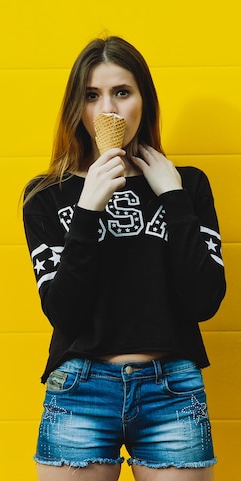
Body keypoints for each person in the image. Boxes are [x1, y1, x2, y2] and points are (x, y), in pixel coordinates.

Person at [22, 36, 226, 481]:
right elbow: (64, 313)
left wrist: (171, 195)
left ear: (144, 101)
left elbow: (205, 300)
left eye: (122, 92)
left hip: (172, 390)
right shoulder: (46, 195)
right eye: (92, 96)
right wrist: (88, 207)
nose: (108, 110)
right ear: (77, 109)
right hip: (79, 388)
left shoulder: (186, 185)